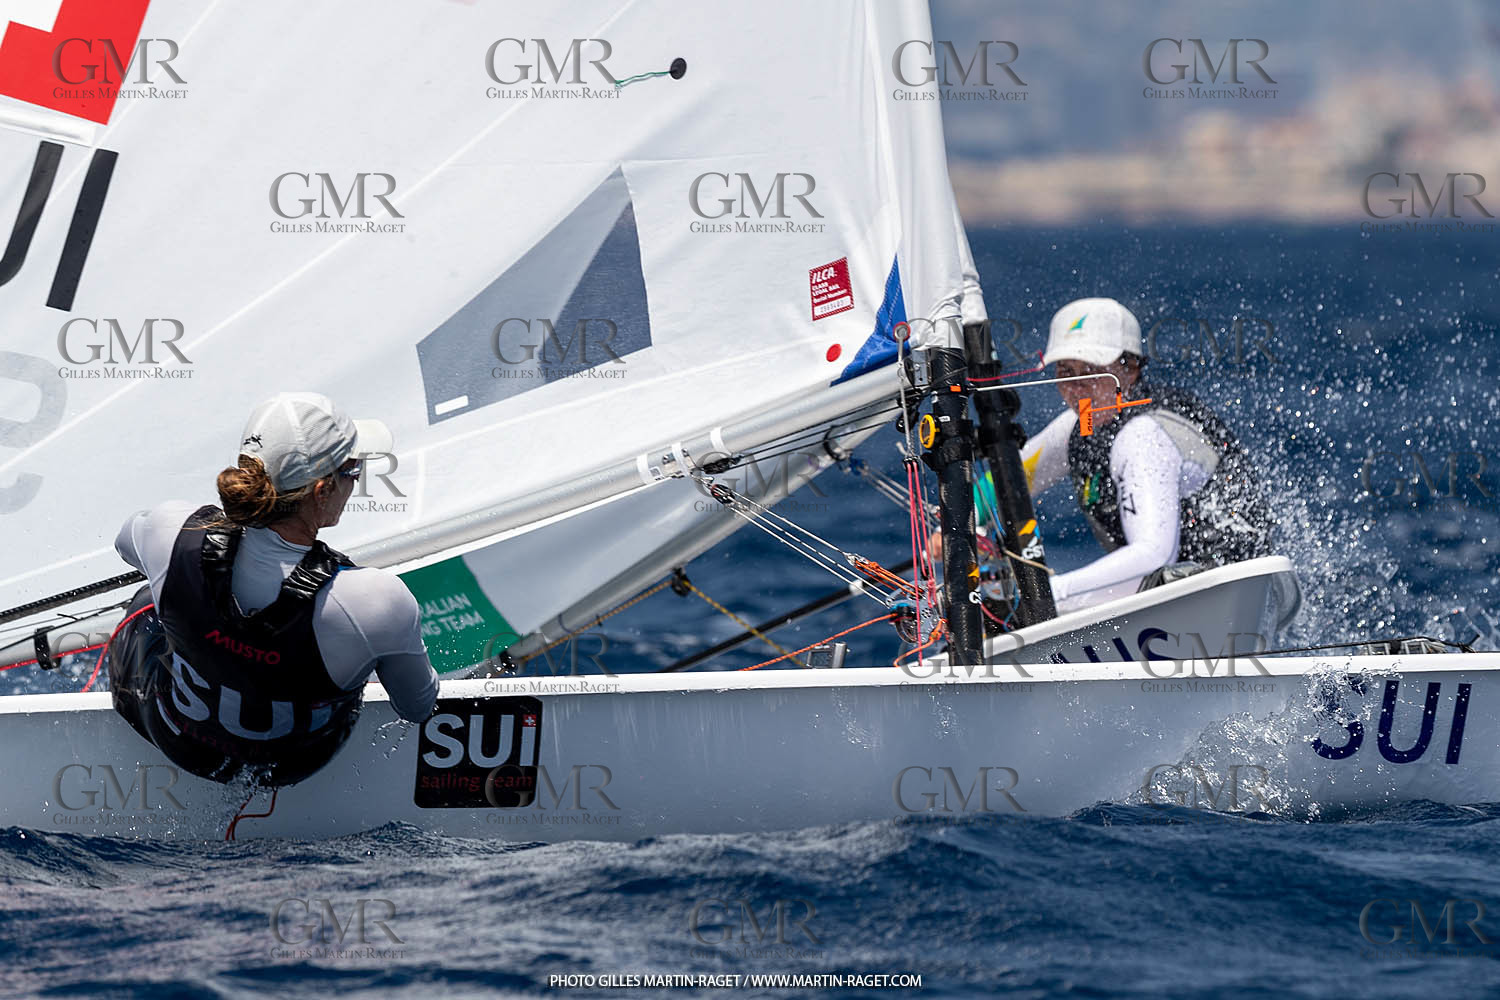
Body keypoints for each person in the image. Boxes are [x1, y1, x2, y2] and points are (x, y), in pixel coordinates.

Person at [105, 392, 438, 786]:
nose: (358, 479)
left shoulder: (170, 531)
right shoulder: (377, 601)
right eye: (353, 469)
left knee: (148, 599)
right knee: (361, 651)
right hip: (292, 767)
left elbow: (124, 544)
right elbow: (417, 707)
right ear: (321, 492)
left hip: (179, 743)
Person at [963, 297, 1272, 612]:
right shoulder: (1080, 423)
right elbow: (1012, 478)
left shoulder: (1144, 435)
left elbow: (1153, 554)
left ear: (1130, 369)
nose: (1077, 386)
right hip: (1169, 592)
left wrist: (1048, 594)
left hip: (1225, 589)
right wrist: (962, 525)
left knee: (1020, 608)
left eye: (1092, 371)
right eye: (1066, 371)